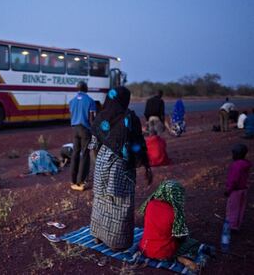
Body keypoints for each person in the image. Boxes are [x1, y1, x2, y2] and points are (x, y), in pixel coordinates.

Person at [90, 86, 152, 251]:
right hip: (121, 166)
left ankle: (98, 235)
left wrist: (99, 164)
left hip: (102, 161)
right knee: (120, 202)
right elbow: (137, 145)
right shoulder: (130, 118)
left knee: (101, 199)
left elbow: (93, 145)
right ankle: (116, 242)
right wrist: (142, 163)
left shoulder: (102, 116)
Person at [138, 180, 201, 271]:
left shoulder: (150, 204)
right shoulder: (175, 213)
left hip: (144, 248)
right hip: (164, 253)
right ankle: (180, 257)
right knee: (192, 242)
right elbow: (180, 236)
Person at [69, 81, 97, 191]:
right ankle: (81, 180)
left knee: (75, 153)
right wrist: (94, 130)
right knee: (85, 154)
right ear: (86, 88)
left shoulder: (72, 101)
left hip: (75, 129)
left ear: (77, 89)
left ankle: (73, 179)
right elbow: (91, 118)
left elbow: (72, 115)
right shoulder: (90, 101)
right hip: (85, 129)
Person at [225, 144, 252, 231]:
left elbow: (233, 180)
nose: (232, 156)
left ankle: (231, 226)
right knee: (241, 208)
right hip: (243, 189)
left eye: (233, 154)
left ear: (237, 154)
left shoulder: (236, 166)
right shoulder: (245, 164)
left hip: (235, 191)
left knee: (233, 208)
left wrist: (228, 190)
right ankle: (237, 225)